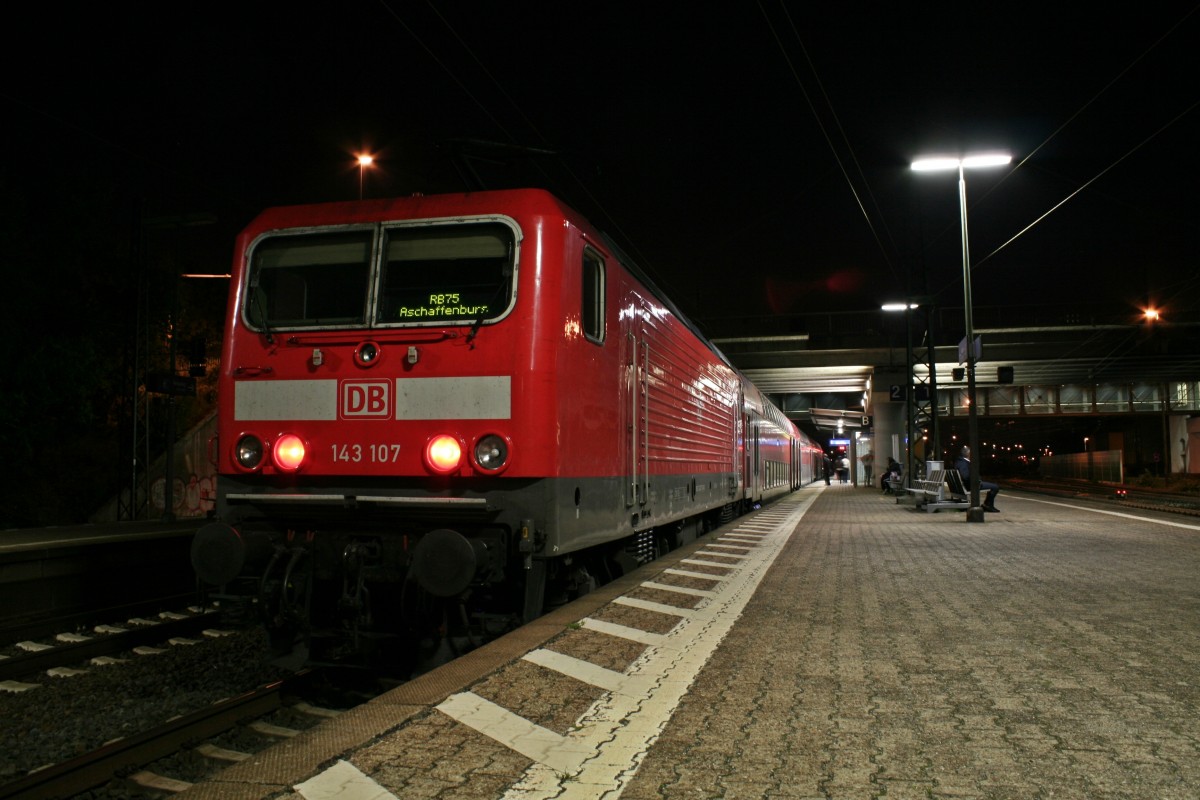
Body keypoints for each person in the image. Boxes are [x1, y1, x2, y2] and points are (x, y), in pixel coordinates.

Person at [954, 445, 1000, 512]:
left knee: (993, 486)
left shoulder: (960, 461)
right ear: (969, 454)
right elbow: (965, 476)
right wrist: (976, 479)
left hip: (966, 485)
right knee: (995, 487)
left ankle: (987, 504)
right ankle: (988, 505)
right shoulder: (963, 463)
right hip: (971, 485)